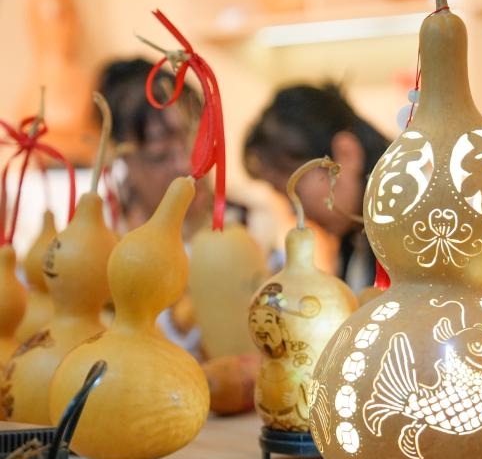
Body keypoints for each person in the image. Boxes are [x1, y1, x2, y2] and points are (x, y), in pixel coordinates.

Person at [242, 82, 390, 291]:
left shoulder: (410, 235)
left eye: (296, 193)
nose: (293, 211)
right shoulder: (358, 244)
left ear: (346, 154)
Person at [95, 56, 215, 241]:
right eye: (160, 155)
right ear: (119, 157)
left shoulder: (249, 225)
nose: (186, 165)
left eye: (198, 143)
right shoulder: (103, 242)